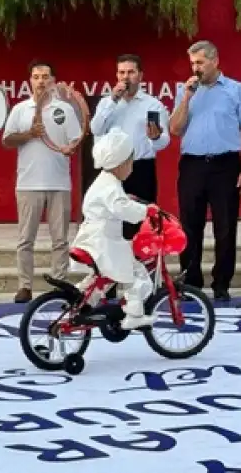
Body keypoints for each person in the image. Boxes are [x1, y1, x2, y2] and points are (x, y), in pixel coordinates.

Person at [169, 40, 241, 302]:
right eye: (192, 63)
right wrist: (186, 97)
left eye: (200, 63)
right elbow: (174, 129)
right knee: (189, 226)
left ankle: (222, 283)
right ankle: (191, 280)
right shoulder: (185, 91)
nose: (195, 68)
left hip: (225, 165)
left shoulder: (235, 90)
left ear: (214, 61)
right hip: (193, 165)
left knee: (226, 227)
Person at [2, 61, 82, 304]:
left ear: (53, 81)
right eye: (36, 77)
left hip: (59, 183)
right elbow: (7, 140)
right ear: (30, 81)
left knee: (60, 239)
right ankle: (24, 286)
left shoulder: (64, 109)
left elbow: (76, 139)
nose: (41, 81)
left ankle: (59, 283)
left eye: (45, 77)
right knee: (26, 239)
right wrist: (29, 135)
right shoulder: (20, 109)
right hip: (28, 183)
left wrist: (71, 148)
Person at [73, 129, 158, 330]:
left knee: (105, 276)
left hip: (94, 238)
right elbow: (123, 210)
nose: (131, 166)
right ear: (120, 164)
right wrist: (146, 210)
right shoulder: (111, 186)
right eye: (130, 162)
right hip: (104, 242)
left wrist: (126, 199)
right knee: (136, 273)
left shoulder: (105, 181)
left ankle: (81, 299)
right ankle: (134, 315)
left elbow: (115, 203)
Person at [89, 53, 170, 239]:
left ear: (140, 76)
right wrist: (112, 101)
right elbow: (96, 129)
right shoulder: (106, 103)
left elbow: (163, 142)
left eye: (131, 72)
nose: (125, 77)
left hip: (141, 168)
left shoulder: (153, 104)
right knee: (111, 222)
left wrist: (155, 137)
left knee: (141, 223)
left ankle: (141, 265)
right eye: (121, 72)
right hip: (112, 170)